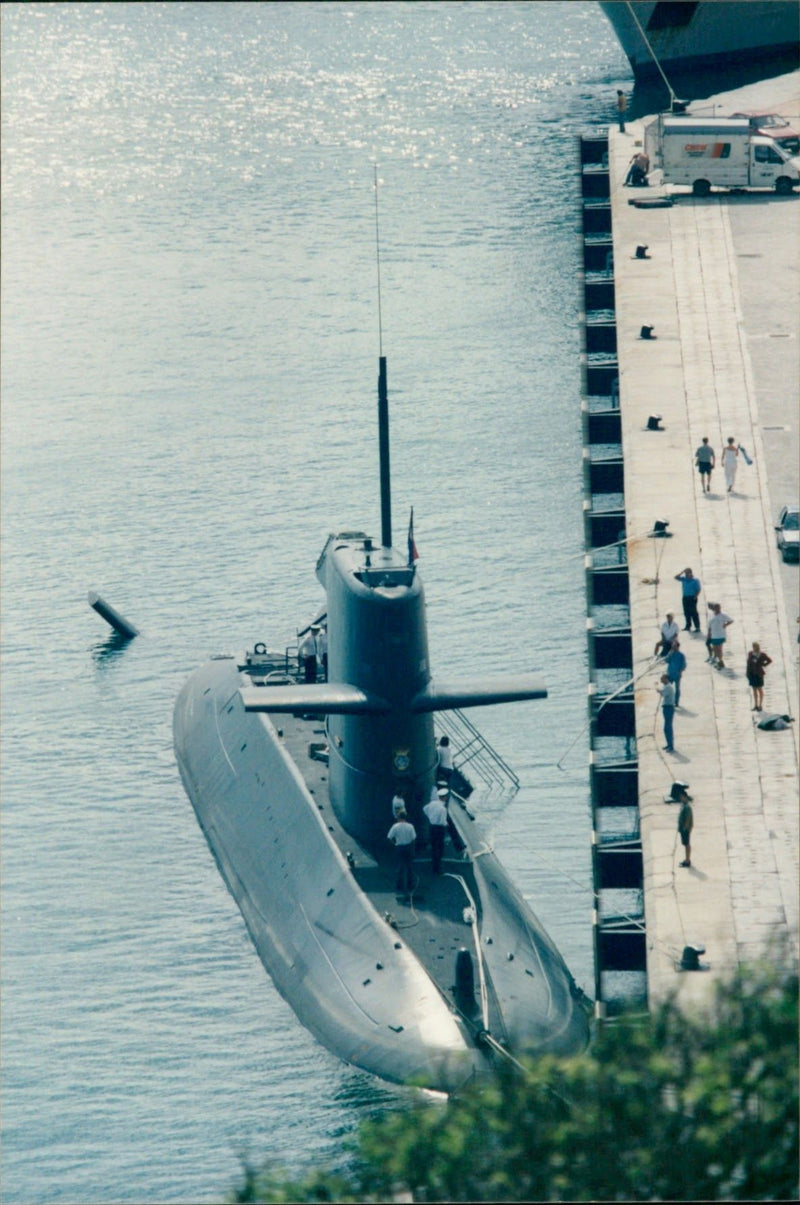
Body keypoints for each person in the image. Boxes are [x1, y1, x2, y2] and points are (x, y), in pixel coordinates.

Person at [387, 810, 417, 892]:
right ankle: (410, 885)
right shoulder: (410, 826)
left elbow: (389, 837)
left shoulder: (395, 827)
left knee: (399, 866)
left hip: (399, 847)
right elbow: (413, 838)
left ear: (398, 817)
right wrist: (412, 847)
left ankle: (399, 885)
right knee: (409, 866)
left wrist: (395, 844)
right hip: (408, 847)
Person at [423, 790, 449, 875]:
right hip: (439, 829)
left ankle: (433, 863)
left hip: (431, 827)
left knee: (434, 846)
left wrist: (430, 817)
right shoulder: (443, 809)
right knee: (440, 848)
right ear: (444, 797)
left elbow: (424, 809)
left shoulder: (432, 803)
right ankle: (437, 868)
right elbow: (443, 822)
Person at [746, 642, 772, 711]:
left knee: (760, 690)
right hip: (752, 674)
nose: (754, 648)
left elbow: (769, 660)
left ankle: (760, 705)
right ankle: (755, 705)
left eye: (755, 647)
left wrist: (763, 664)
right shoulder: (750, 654)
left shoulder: (762, 655)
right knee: (754, 690)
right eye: (753, 646)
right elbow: (748, 664)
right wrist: (747, 673)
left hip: (759, 674)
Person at [675, 567, 702, 632]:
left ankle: (697, 627)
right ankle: (688, 626)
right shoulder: (684, 579)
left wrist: (695, 596)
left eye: (688, 573)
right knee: (686, 612)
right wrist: (682, 572)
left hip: (692, 597)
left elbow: (698, 589)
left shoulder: (695, 580)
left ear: (691, 573)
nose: (686, 574)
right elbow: (676, 577)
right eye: (686, 573)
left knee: (693, 612)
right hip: (685, 597)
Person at [707, 602, 733, 668]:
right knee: (715, 648)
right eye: (716, 608)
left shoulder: (723, 615)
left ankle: (721, 661)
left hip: (721, 634)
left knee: (719, 649)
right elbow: (709, 626)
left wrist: (726, 624)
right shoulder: (711, 615)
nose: (718, 609)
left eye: (718, 608)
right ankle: (718, 660)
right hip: (714, 635)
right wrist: (709, 634)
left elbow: (731, 620)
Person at [657, 674, 677, 753]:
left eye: (662, 679)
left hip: (668, 708)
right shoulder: (667, 686)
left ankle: (671, 746)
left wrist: (657, 689)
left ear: (666, 679)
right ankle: (668, 744)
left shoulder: (668, 687)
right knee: (666, 728)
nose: (661, 681)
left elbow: (662, 693)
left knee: (667, 728)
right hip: (667, 708)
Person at [666, 639, 687, 707]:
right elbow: (667, 660)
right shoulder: (671, 654)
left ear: (678, 647)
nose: (673, 648)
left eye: (674, 646)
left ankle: (676, 702)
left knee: (677, 689)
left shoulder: (681, 655)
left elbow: (683, 665)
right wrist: (669, 653)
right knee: (668, 688)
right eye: (673, 646)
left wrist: (680, 671)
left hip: (677, 675)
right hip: (670, 674)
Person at [677, 797, 693, 868]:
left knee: (687, 844)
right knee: (686, 844)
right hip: (684, 829)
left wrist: (684, 828)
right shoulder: (684, 806)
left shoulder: (687, 807)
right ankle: (687, 859)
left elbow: (688, 819)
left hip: (685, 829)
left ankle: (687, 860)